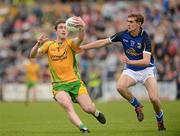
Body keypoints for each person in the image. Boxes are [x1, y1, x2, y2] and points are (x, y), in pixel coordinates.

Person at [80, 13, 166, 131]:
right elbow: (103, 42)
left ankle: (160, 119)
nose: (128, 24)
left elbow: (146, 61)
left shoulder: (145, 37)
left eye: (131, 22)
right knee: (120, 87)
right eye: (128, 21)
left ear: (139, 24)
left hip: (147, 70)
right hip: (131, 70)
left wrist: (130, 61)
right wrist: (83, 48)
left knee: (154, 99)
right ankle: (137, 105)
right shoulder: (123, 35)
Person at [30, 16, 106, 133]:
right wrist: (37, 44)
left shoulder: (71, 44)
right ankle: (83, 128)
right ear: (56, 31)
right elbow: (33, 55)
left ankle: (95, 113)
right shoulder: (49, 45)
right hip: (59, 85)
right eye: (61, 28)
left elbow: (80, 39)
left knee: (88, 108)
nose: (64, 30)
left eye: (65, 28)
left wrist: (82, 28)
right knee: (68, 106)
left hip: (75, 83)